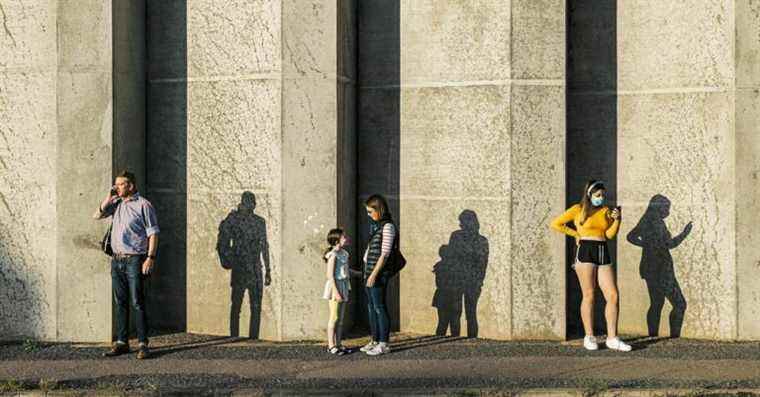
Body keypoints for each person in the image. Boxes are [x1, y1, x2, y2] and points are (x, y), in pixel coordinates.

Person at [550, 180, 631, 352]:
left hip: (602, 249)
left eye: (603, 195)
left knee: (613, 294)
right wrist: (575, 234)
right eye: (598, 195)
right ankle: (589, 336)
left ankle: (612, 338)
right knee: (589, 294)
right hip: (585, 250)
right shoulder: (577, 210)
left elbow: (608, 234)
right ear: (589, 195)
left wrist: (618, 220)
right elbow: (555, 224)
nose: (601, 198)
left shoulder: (606, 211)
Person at [93, 170, 159, 359]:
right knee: (120, 302)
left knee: (137, 301)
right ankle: (122, 342)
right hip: (117, 259)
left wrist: (150, 258)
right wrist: (109, 197)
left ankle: (143, 343)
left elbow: (153, 233)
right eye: (116, 184)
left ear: (130, 185)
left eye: (120, 184)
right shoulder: (116, 204)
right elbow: (97, 215)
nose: (117, 187)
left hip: (135, 259)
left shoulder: (143, 205)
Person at [217, 191, 271, 339]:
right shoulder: (234, 219)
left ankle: (252, 337)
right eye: (249, 202)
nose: (251, 205)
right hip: (241, 267)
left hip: (253, 268)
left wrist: (268, 270)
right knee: (237, 306)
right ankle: (235, 337)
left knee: (254, 307)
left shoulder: (258, 221)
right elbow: (223, 240)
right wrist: (227, 259)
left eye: (252, 203)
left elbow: (264, 245)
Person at [360, 194, 399, 356]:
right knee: (371, 307)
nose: (369, 215)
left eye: (370, 212)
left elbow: (385, 254)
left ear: (379, 209)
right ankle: (375, 340)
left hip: (378, 274)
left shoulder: (388, 227)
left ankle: (384, 343)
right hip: (368, 272)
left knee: (379, 307)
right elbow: (370, 252)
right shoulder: (376, 227)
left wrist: (374, 275)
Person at [322, 228, 352, 355]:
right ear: (336, 240)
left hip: (344, 285)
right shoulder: (333, 255)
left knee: (341, 319)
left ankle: (339, 343)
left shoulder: (344, 253)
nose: (345, 238)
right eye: (343, 237)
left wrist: (358, 274)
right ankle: (331, 345)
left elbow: (345, 271)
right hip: (335, 288)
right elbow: (330, 276)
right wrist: (336, 292)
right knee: (334, 317)